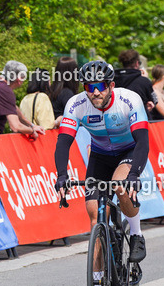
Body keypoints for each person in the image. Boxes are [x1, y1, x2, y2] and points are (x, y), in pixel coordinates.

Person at [54, 60, 149, 263]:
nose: (95, 93)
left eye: (100, 86)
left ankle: (136, 234)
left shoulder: (129, 100)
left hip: (129, 151)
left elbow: (142, 141)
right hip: (100, 156)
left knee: (120, 187)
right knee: (95, 217)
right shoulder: (76, 104)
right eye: (90, 87)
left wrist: (133, 175)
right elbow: (63, 143)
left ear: (111, 85)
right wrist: (62, 175)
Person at [0, 60, 45, 138]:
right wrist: (32, 131)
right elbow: (15, 126)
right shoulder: (5, 90)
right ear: (19, 79)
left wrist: (31, 125)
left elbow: (13, 107)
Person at [114, 49, 155, 114]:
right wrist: (146, 80)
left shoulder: (113, 81)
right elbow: (154, 101)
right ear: (136, 63)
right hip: (139, 119)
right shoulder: (143, 81)